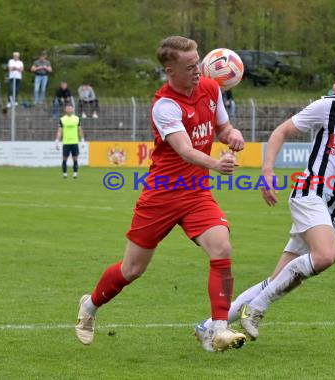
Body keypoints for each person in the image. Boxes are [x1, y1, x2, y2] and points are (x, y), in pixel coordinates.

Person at [200, 41, 335, 341]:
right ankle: (257, 308)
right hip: (310, 192)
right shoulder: (328, 107)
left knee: (280, 278)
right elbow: (281, 132)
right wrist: (266, 171)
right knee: (327, 255)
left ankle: (210, 326)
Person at [75, 36, 247, 352]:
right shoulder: (165, 105)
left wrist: (232, 135)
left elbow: (223, 128)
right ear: (170, 70)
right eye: (191, 66)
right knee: (132, 270)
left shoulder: (211, 89)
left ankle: (219, 329)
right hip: (162, 195)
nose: (199, 70)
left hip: (196, 193)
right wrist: (216, 163)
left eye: (199, 62)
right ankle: (89, 307)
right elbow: (184, 150)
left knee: (221, 247)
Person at [55, 104, 84, 179]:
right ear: (65, 110)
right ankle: (65, 174)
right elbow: (59, 131)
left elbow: (80, 130)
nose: (69, 110)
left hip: (75, 142)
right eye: (67, 109)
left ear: (73, 110)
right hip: (66, 142)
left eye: (70, 109)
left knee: (75, 158)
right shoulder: (62, 119)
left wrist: (82, 140)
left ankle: (75, 174)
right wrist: (57, 141)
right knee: (64, 158)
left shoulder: (77, 119)